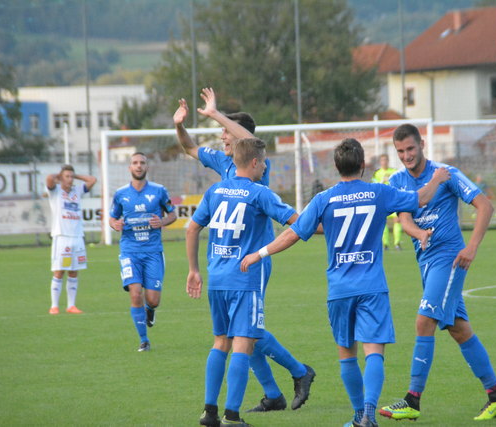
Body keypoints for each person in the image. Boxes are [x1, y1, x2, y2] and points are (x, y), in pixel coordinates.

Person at [241, 138, 450, 427]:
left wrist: (259, 253)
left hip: (339, 290)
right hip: (372, 287)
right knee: (374, 352)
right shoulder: (379, 192)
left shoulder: (324, 199)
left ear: (337, 167)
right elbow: (421, 198)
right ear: (363, 165)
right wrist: (437, 178)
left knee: (347, 356)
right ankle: (368, 415)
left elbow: (294, 233)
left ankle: (357, 417)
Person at [175, 88, 315, 413]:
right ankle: (277, 391)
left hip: (254, 259)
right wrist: (180, 125)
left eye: (227, 131)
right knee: (245, 333)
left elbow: (247, 139)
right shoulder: (223, 164)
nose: (223, 136)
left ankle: (295, 373)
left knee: (245, 333)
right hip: (227, 262)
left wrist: (215, 113)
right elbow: (187, 146)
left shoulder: (256, 171)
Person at [379, 123, 496, 421]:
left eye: (410, 149)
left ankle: (412, 400)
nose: (406, 156)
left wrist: (472, 247)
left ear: (422, 144)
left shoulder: (445, 172)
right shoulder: (398, 179)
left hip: (450, 259)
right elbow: (404, 220)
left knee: (423, 321)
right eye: (400, 151)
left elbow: (485, 206)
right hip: (427, 263)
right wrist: (419, 234)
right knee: (459, 329)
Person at [186, 138, 300, 427]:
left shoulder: (215, 190)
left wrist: (193, 270)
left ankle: (209, 413)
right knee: (243, 345)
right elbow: (298, 223)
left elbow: (192, 228)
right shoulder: (259, 193)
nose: (265, 166)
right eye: (263, 162)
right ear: (253, 162)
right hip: (245, 279)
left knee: (220, 342)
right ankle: (232, 417)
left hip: (217, 278)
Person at [108, 152, 177, 352]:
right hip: (130, 251)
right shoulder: (121, 194)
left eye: (142, 163)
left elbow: (172, 214)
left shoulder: (159, 191)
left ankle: (150, 310)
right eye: (135, 163)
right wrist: (115, 224)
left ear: (147, 167)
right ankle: (144, 340)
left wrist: (162, 221)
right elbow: (112, 218)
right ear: (129, 167)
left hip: (153, 251)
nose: (138, 166)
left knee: (153, 299)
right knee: (135, 293)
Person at [45, 165, 96, 315]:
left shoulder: (77, 191)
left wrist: (75, 176)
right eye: (66, 176)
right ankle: (54, 306)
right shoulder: (55, 191)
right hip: (62, 238)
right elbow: (49, 178)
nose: (70, 179)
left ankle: (71, 306)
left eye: (71, 176)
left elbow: (93, 180)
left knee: (74, 271)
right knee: (59, 271)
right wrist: (60, 176)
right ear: (61, 178)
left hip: (77, 237)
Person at [371, 153, 402, 250]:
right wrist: (382, 181)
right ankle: (385, 244)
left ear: (388, 161)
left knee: (397, 220)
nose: (384, 162)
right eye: (382, 160)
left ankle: (397, 243)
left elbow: (398, 185)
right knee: (383, 222)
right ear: (380, 162)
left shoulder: (394, 171)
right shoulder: (377, 173)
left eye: (385, 160)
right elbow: (375, 187)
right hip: (382, 201)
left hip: (393, 199)